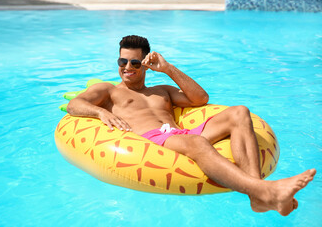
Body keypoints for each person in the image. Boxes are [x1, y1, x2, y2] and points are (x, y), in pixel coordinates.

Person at [67, 35, 316, 216]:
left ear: (144, 63)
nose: (127, 68)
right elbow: (74, 105)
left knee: (240, 112)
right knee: (197, 142)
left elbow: (200, 98)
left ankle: (258, 197)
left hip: (180, 133)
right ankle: (264, 192)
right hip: (153, 140)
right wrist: (100, 112)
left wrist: (167, 69)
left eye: (134, 63)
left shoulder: (161, 90)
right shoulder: (109, 90)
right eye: (122, 62)